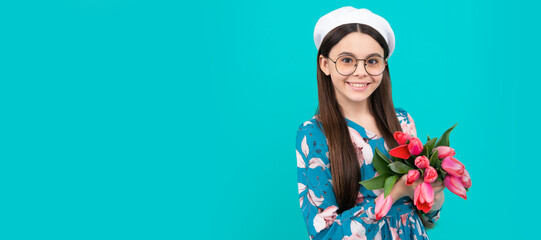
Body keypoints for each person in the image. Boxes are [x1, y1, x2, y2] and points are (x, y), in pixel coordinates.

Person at [296, 7, 445, 240]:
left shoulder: (402, 121)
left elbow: (424, 218)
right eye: (347, 60)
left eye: (372, 61)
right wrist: (393, 194)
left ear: (384, 66)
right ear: (325, 64)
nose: (360, 72)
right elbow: (324, 234)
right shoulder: (314, 133)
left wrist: (434, 201)